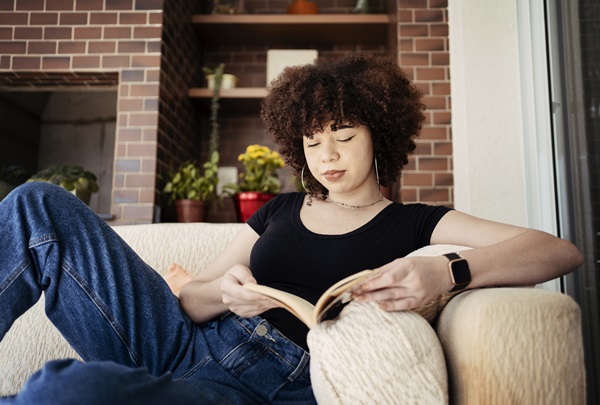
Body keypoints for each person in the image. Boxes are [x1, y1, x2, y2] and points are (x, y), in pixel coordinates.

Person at [0, 55, 583, 404]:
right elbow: (192, 300)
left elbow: (558, 250)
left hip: (259, 386)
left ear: (380, 134)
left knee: (62, 391)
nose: (326, 154)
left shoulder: (416, 222)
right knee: (36, 204)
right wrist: (226, 290)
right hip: (178, 339)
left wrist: (447, 269)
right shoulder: (279, 209)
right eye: (311, 140)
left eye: (344, 135)